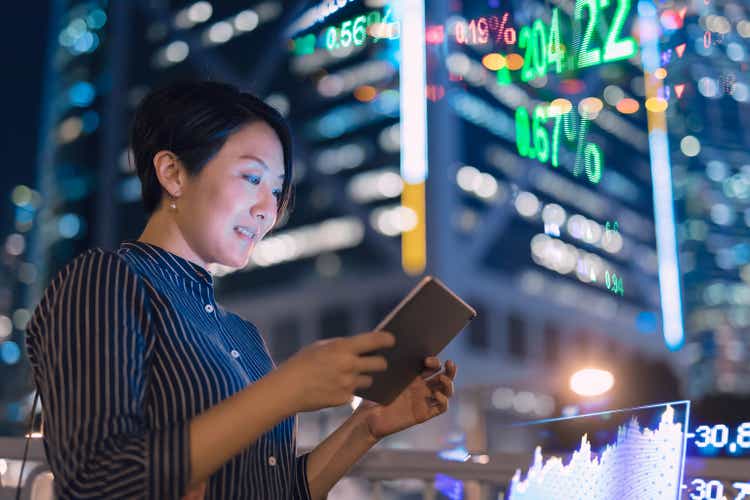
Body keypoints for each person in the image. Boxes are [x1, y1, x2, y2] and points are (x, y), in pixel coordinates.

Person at [24, 80, 458, 500]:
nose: (268, 210)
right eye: (252, 178)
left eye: (276, 190)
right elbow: (95, 480)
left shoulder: (242, 337)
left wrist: (365, 426)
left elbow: (267, 490)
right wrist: (284, 390)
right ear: (173, 173)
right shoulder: (105, 281)